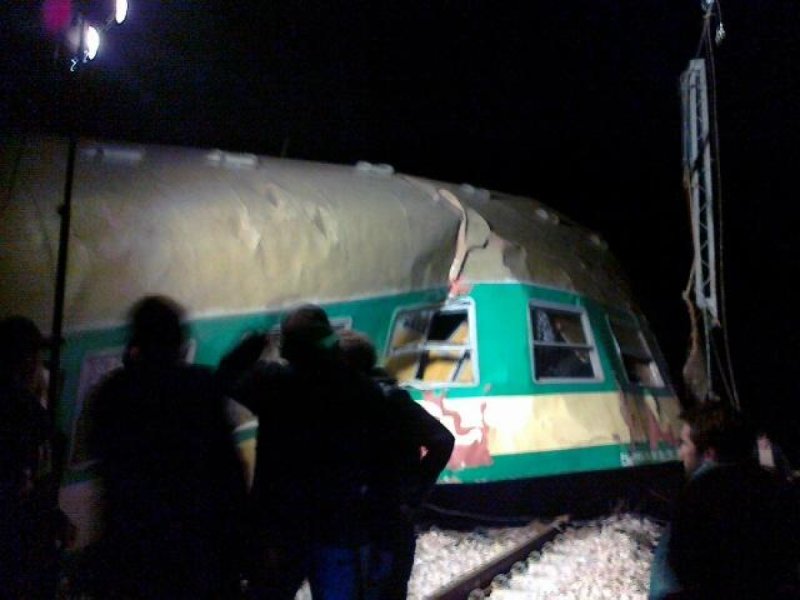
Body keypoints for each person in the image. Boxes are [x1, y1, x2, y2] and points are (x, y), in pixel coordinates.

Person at [217, 304, 387, 599]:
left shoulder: (275, 384)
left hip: (281, 525)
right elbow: (380, 452)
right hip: (339, 523)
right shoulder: (362, 389)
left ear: (290, 348)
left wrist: (253, 344)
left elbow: (226, 376)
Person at [85, 295, 247, 598]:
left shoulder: (113, 393)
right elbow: (229, 473)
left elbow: (106, 471)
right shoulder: (200, 387)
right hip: (195, 551)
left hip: (132, 550)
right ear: (179, 342)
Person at [338, 329, 455, 600]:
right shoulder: (362, 399)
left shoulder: (389, 400)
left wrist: (411, 494)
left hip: (384, 517)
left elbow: (442, 440)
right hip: (382, 517)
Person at [649, 402, 799, 599]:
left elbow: (667, 584)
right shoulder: (775, 489)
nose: (680, 454)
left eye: (684, 444)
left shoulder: (698, 499)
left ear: (709, 453)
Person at [0, 315, 58, 599]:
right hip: (18, 544)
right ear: (26, 362)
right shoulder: (27, 412)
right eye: (35, 358)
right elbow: (36, 484)